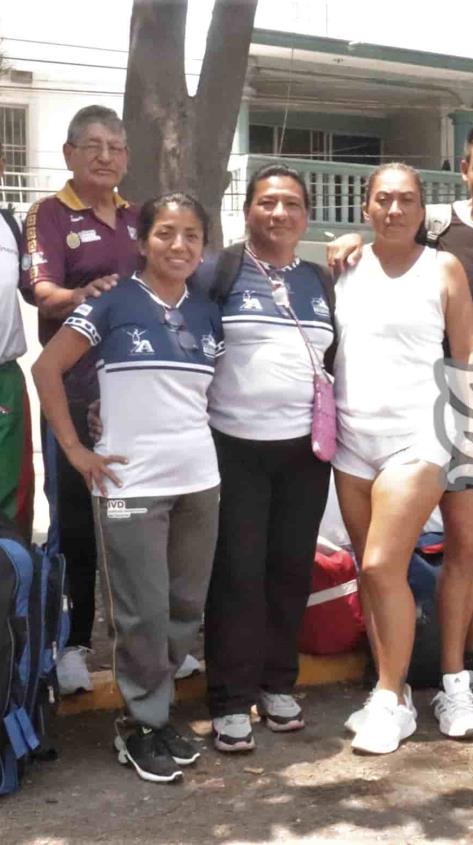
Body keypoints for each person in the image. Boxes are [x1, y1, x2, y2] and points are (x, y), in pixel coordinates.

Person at [328, 122, 473, 720]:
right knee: (434, 546)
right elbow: (390, 237)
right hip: (431, 413)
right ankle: (408, 677)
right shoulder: (438, 230)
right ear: (464, 168)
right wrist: (353, 238)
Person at [31, 193, 224, 784]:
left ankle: (158, 711)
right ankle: (140, 723)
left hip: (199, 480)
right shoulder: (111, 304)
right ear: (142, 242)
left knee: (185, 608)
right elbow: (46, 368)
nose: (179, 245)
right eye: (166, 233)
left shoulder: (207, 313)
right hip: (128, 481)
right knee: (140, 610)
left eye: (192, 235)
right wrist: (75, 448)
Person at [334, 163, 473, 755]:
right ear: (366, 207)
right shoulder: (342, 265)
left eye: (407, 201)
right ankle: (390, 696)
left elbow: (467, 347)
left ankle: (392, 698)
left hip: (418, 437)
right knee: (376, 580)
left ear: (424, 211)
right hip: (351, 441)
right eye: (383, 200)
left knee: (378, 567)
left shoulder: (442, 267)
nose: (395, 210)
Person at [197, 165, 336, 753]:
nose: (278, 213)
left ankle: (278, 683)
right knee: (237, 572)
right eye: (267, 202)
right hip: (234, 449)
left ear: (306, 217)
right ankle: (230, 697)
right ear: (248, 210)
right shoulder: (218, 272)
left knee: (289, 569)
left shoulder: (322, 280)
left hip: (305, 453)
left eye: (291, 204)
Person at [19, 105, 141, 695]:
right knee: (74, 523)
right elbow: (42, 295)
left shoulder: (139, 218)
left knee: (129, 519)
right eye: (92, 145)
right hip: (69, 395)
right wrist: (81, 294)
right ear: (69, 153)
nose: (104, 157)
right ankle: (69, 644)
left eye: (115, 147)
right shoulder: (48, 213)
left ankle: (139, 643)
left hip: (133, 403)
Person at [0, 152, 33, 539]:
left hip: (5, 377)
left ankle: (13, 593)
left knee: (12, 502)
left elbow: (36, 289)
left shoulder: (10, 225)